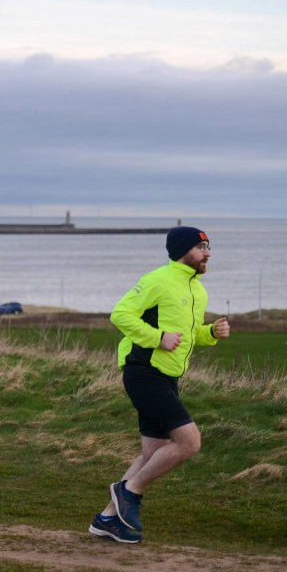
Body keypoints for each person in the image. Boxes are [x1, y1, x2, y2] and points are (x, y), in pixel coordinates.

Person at [89, 226, 231, 544]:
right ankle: (129, 491)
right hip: (144, 370)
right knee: (190, 441)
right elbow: (120, 314)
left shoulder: (198, 290)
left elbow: (188, 337)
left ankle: (107, 519)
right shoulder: (158, 280)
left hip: (167, 376)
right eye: (201, 247)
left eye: (209, 247)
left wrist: (210, 334)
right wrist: (157, 338)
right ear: (183, 250)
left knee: (152, 453)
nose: (208, 253)